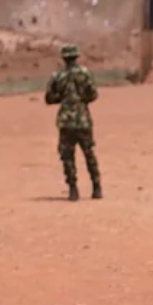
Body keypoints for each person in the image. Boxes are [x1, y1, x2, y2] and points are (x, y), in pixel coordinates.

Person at [45, 45, 102, 201]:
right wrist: (81, 99)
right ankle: (96, 187)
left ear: (64, 58)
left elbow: (49, 98)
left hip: (66, 121)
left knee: (67, 157)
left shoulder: (58, 76)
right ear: (76, 57)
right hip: (83, 119)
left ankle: (73, 189)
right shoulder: (85, 73)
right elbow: (93, 95)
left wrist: (63, 99)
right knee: (89, 153)